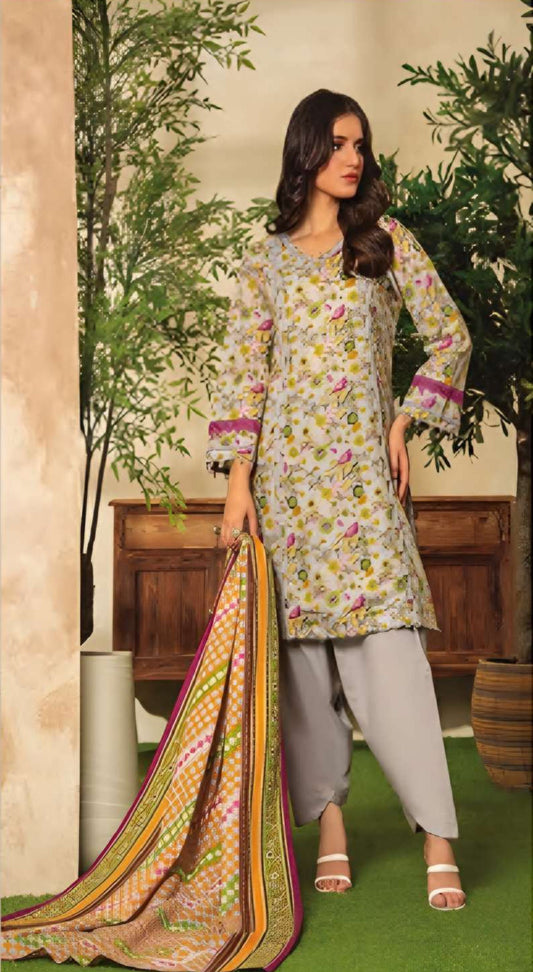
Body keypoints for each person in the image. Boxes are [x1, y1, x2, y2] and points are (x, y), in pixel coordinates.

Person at [205, 88, 473, 909]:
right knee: (302, 663)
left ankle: (435, 831)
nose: (355, 157)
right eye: (339, 143)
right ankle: (326, 823)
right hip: (284, 489)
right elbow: (245, 374)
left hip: (359, 487)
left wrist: (404, 420)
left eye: (361, 144)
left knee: (389, 652)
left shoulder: (384, 244)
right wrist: (238, 488)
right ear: (306, 152)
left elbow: (450, 334)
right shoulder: (265, 260)